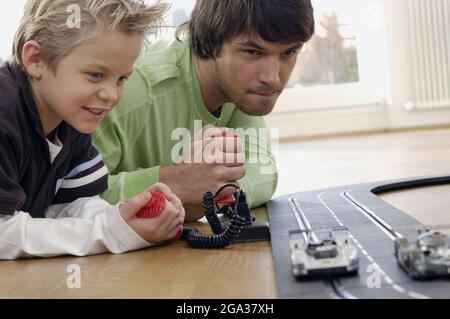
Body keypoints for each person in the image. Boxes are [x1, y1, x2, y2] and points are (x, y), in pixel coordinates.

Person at [93, 0, 315, 220]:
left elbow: (265, 174)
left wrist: (204, 195)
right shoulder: (130, 90)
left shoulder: (241, 91)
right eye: (252, 52)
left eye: (289, 53)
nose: (272, 78)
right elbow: (71, 199)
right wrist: (176, 181)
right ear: (210, 42)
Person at [0, 0, 185, 260]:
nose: (111, 95)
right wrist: (110, 233)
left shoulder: (71, 122)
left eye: (121, 78)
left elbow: (70, 206)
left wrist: (127, 216)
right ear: (36, 59)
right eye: (96, 75)